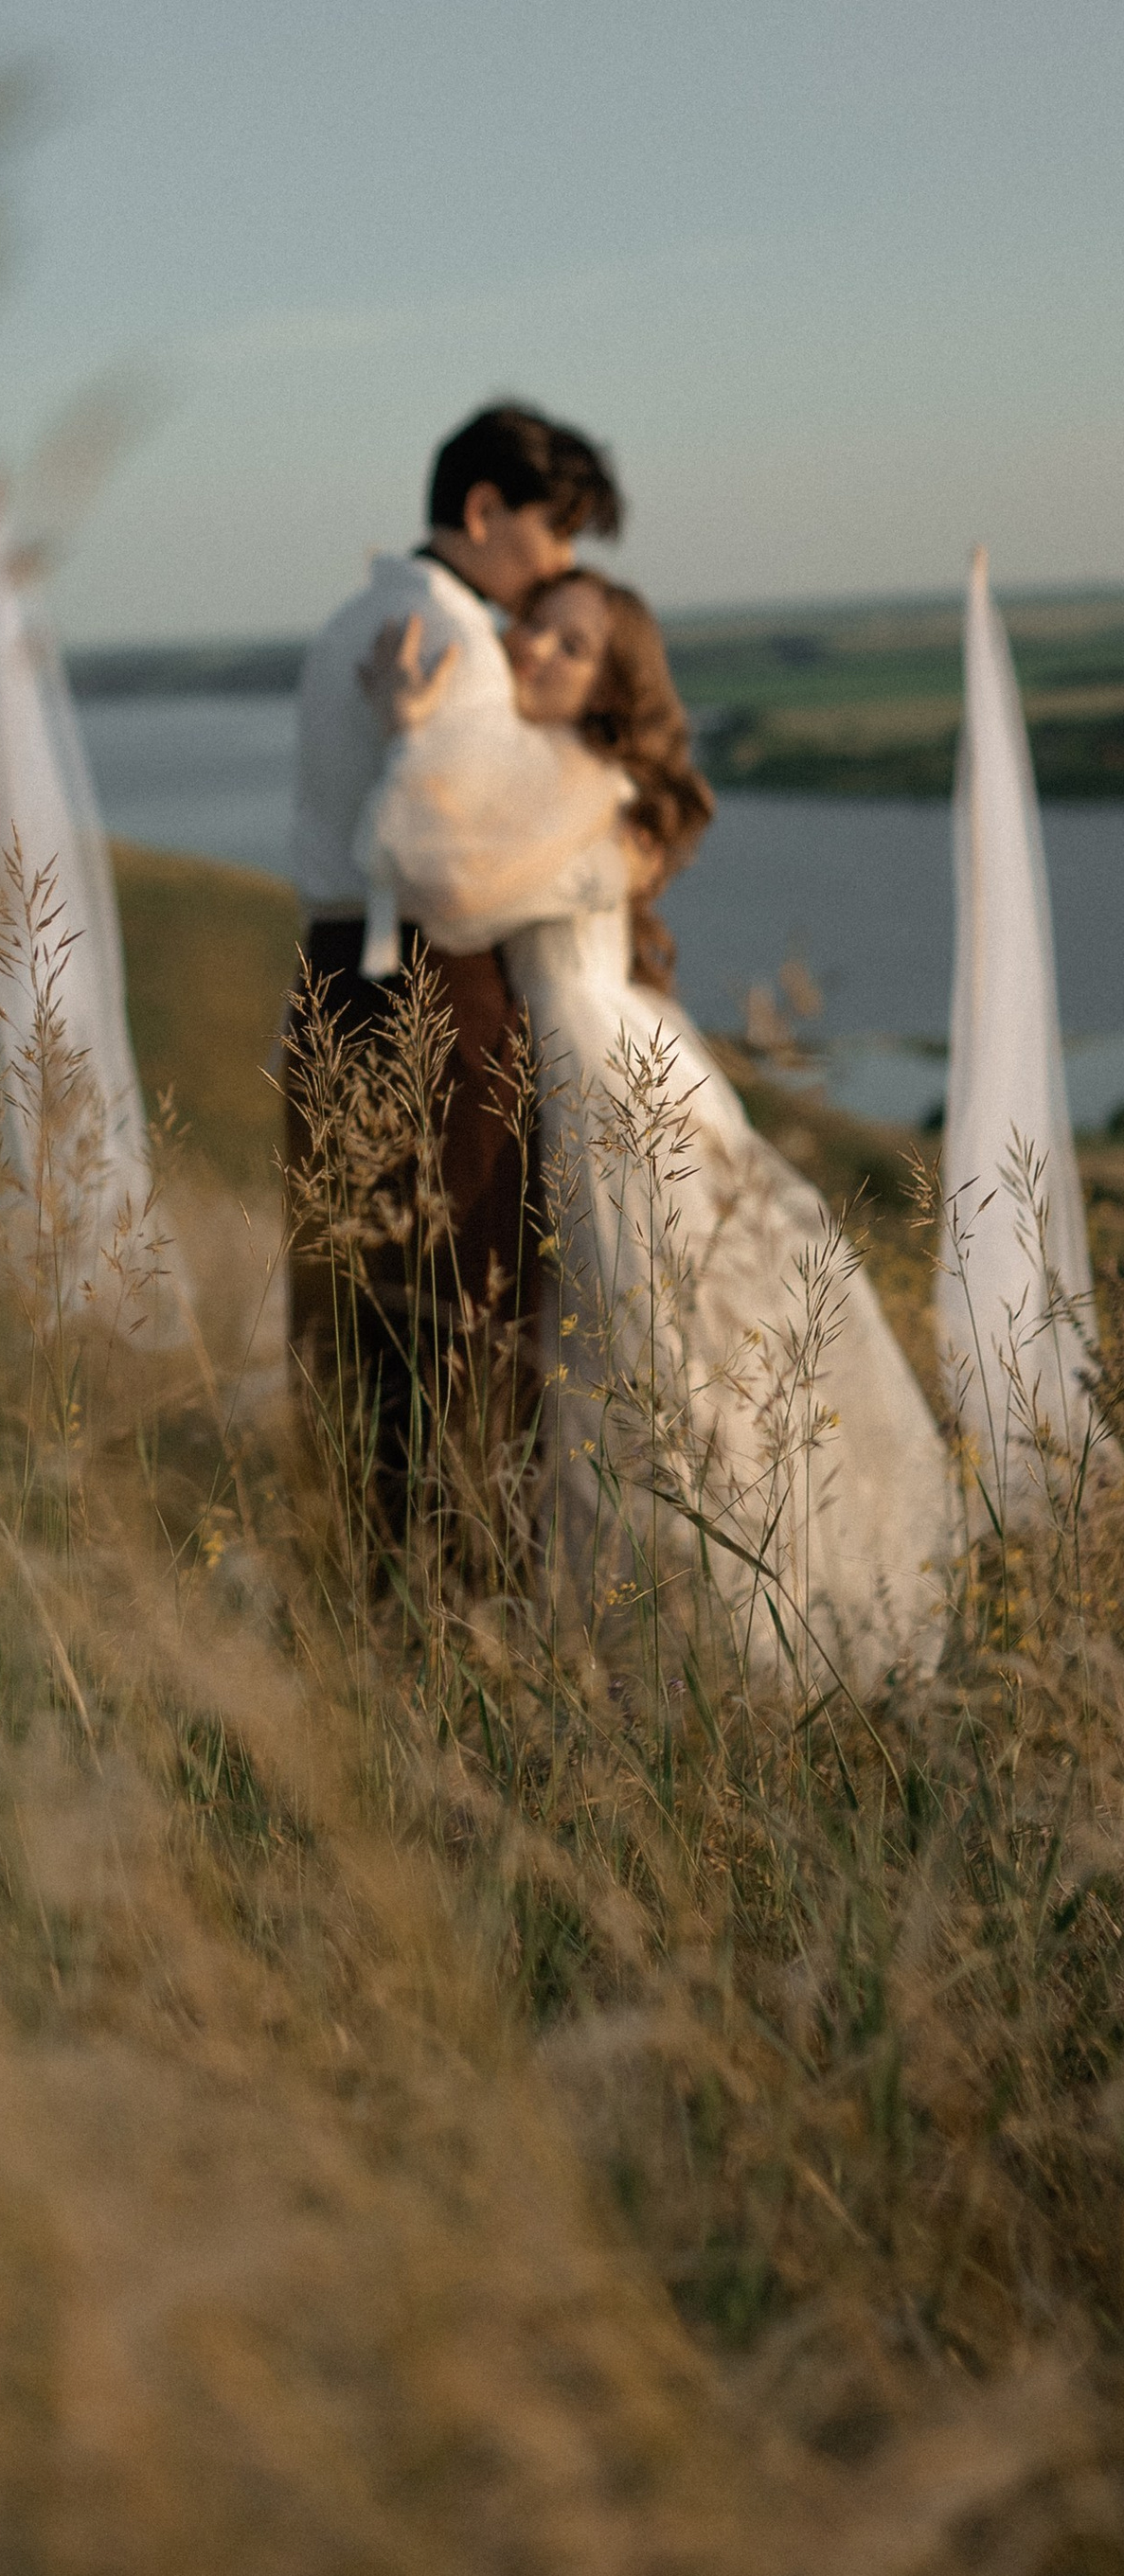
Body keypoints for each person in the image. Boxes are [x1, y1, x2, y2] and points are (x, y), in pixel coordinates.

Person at [366, 560, 955, 1683]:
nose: (534, 646)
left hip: (610, 1076)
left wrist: (410, 731)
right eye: (534, 625)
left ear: (611, 689)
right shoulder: (545, 765)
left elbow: (446, 887)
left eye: (570, 644)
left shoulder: (598, 786)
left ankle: (730, 1636)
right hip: (572, 1062)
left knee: (654, 1351)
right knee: (599, 1348)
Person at [281, 402, 636, 1536]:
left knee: (347, 1305)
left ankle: (354, 1571)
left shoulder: (347, 619)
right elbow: (455, 869)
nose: (564, 563)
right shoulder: (463, 646)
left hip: (330, 977)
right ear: (483, 511)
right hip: (440, 988)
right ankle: (462, 1594)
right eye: (554, 529)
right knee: (466, 1306)